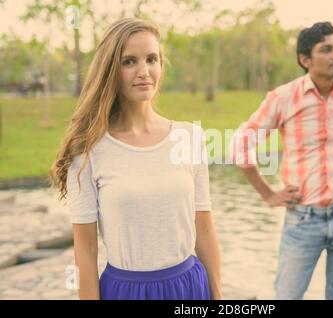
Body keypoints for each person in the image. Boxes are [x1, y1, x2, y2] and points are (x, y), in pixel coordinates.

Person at [49, 18, 222, 300]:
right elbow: (85, 250)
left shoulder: (190, 137)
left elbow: (204, 230)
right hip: (125, 291)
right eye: (129, 61)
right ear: (110, 71)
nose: (144, 71)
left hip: (189, 288)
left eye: (151, 59)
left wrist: (219, 299)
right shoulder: (87, 149)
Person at [230, 21, 333, 300]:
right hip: (303, 219)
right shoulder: (283, 98)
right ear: (305, 59)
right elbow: (242, 144)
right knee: (287, 295)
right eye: (327, 49)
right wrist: (268, 194)